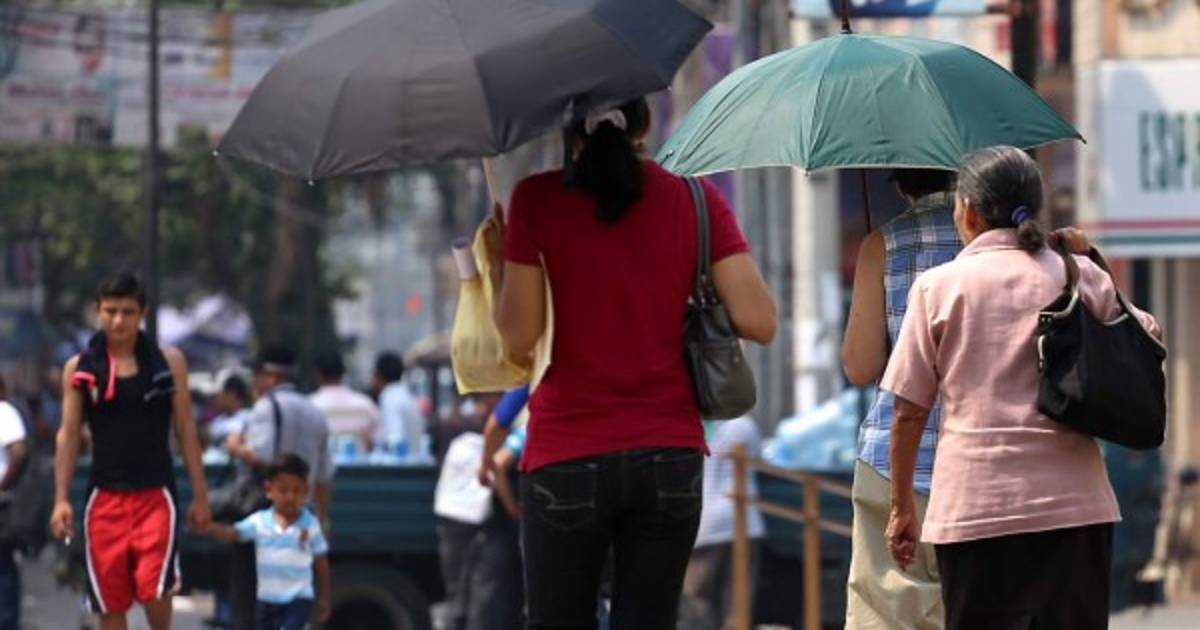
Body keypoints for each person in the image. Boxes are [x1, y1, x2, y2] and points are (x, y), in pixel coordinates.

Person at [487, 97, 777, 629]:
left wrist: (504, 263)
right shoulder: (696, 198)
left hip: (566, 454)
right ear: (643, 124)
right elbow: (760, 321)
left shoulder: (536, 200)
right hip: (668, 453)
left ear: (570, 129)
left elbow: (519, 338)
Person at [883, 146, 1162, 630]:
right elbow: (1149, 333)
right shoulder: (1075, 273)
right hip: (1075, 509)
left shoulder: (938, 287)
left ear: (968, 211)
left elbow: (908, 410)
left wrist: (901, 506)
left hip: (974, 514)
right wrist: (1088, 259)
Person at [49, 272, 211, 630]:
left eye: (127, 312)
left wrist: (201, 497)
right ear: (98, 311)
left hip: (156, 495)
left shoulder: (168, 362)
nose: (118, 321)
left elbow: (186, 429)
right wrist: (60, 499)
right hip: (104, 497)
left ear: (142, 314)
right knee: (110, 602)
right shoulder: (80, 369)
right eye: (110, 311)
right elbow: (69, 434)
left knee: (157, 589)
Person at [841, 169, 959, 629]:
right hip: (978, 461)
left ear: (898, 185)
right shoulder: (997, 246)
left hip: (893, 467)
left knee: (888, 617)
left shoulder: (882, 244)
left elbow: (859, 366)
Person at [224, 345, 333, 630]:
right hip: (302, 513)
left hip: (269, 513)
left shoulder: (266, 406)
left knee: (252, 595)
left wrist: (234, 446)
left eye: (256, 374)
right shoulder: (315, 411)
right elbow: (323, 477)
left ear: (271, 376)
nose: (253, 382)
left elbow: (260, 456)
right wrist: (321, 519)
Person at [202, 453, 331, 630]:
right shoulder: (260, 522)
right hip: (267, 600)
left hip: (298, 600)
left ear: (306, 492)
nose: (290, 497)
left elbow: (321, 562)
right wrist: (208, 527)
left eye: (296, 491)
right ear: (269, 490)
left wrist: (324, 597)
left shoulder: (310, 525)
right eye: (283, 490)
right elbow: (235, 533)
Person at [679, 418, 766, 630]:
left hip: (707, 523)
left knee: (697, 598)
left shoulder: (697, 425)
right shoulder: (745, 425)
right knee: (737, 602)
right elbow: (759, 460)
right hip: (745, 521)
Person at [310, 352, 381, 458]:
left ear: (317, 373)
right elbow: (378, 444)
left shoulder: (310, 406)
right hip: (360, 467)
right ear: (343, 372)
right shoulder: (365, 405)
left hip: (321, 467)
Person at [0, 377, 28, 630]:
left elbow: (18, 452)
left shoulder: (5, 412)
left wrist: (3, 485)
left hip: (3, 504)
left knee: (4, 567)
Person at [371, 352, 427, 462]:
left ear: (379, 375)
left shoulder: (389, 398)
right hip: (415, 461)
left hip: (400, 466)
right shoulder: (407, 396)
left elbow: (396, 439)